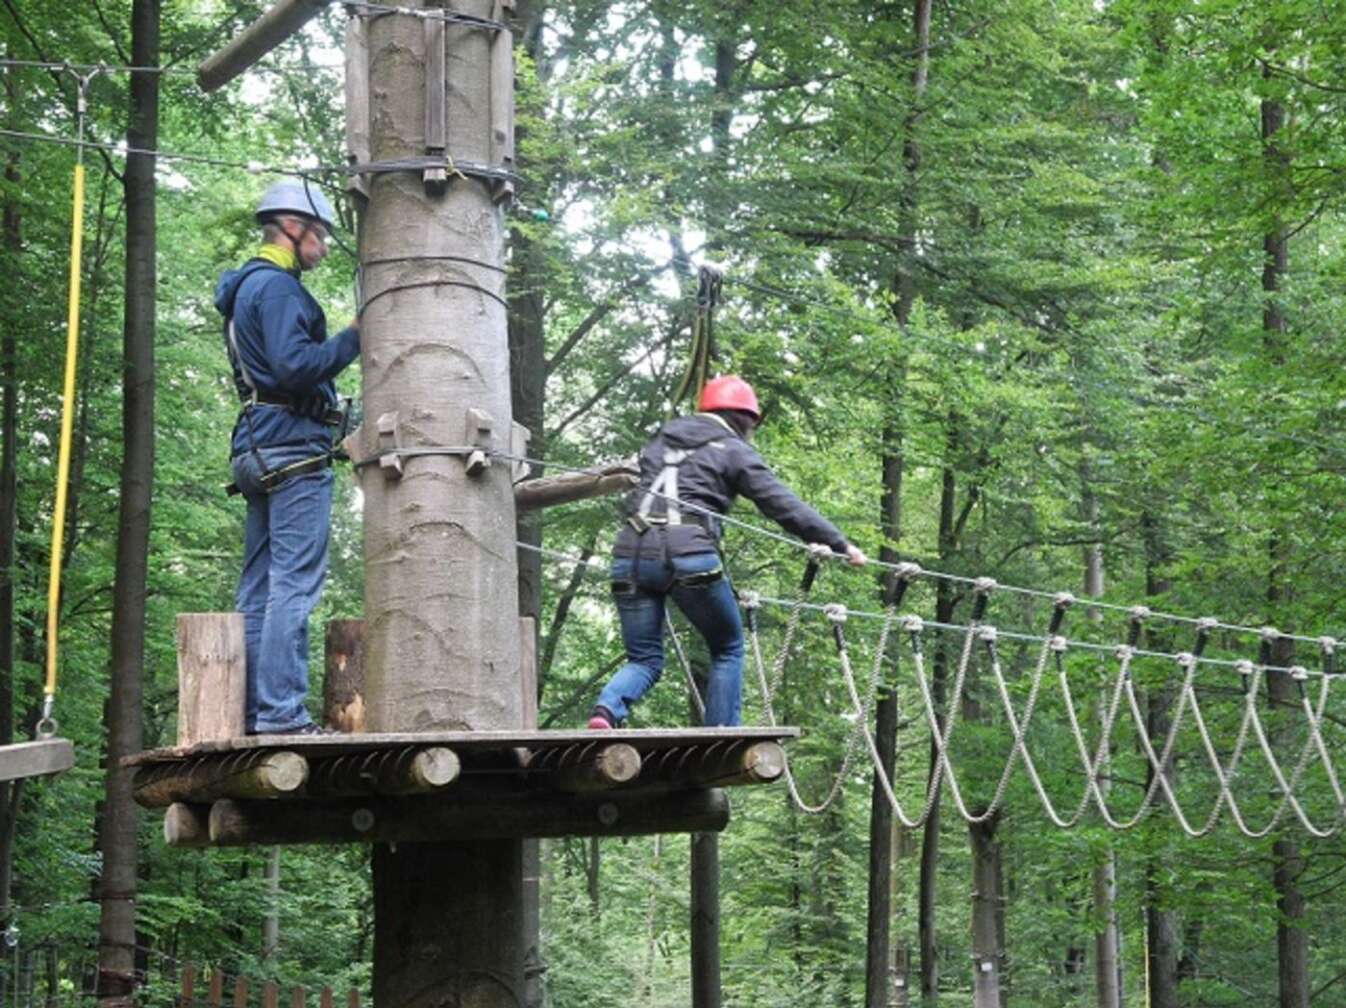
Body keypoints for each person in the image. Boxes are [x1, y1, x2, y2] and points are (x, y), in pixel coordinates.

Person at [590, 375, 866, 730]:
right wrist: (839, 543)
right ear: (743, 419)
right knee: (728, 647)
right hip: (688, 552)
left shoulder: (661, 440)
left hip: (630, 553)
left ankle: (606, 710)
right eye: (751, 424)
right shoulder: (732, 448)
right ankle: (720, 735)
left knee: (644, 658)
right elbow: (780, 502)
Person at [214, 179, 361, 735]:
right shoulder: (275, 288)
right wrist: (353, 337)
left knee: (258, 589)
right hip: (290, 450)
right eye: (319, 234)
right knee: (293, 587)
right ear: (291, 229)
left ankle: (256, 713)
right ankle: (281, 716)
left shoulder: (245, 289)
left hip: (257, 445)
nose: (323, 246)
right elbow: (296, 367)